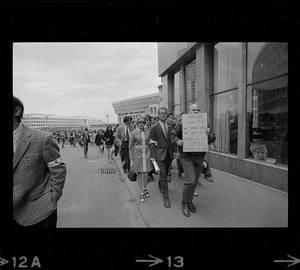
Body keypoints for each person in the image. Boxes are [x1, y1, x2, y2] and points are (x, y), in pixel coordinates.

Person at [13, 95, 67, 228]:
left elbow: (58, 169)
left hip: (38, 212)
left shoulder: (42, 139)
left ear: (17, 111)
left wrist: (52, 197)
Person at [171, 103, 212, 217]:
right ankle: (184, 202)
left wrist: (209, 135)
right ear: (189, 112)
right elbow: (173, 135)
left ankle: (190, 202)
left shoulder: (205, 122)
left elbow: (212, 138)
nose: (196, 112)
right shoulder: (181, 123)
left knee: (195, 181)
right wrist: (178, 141)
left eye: (198, 110)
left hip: (199, 156)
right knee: (191, 180)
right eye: (193, 110)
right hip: (187, 156)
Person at [149, 107, 174, 209]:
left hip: (169, 153)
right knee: (163, 175)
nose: (163, 115)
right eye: (161, 113)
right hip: (160, 154)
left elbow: (173, 139)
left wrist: (175, 152)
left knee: (166, 172)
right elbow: (151, 142)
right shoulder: (154, 127)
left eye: (165, 113)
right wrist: (153, 156)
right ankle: (166, 197)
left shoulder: (171, 125)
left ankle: (160, 184)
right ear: (158, 115)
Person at [129, 116, 152, 202]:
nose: (142, 123)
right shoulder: (133, 133)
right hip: (137, 155)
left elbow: (149, 143)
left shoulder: (147, 132)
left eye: (143, 122)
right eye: (140, 122)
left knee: (146, 174)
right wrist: (131, 159)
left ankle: (144, 187)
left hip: (146, 155)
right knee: (140, 174)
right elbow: (131, 147)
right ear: (137, 123)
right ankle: (141, 192)